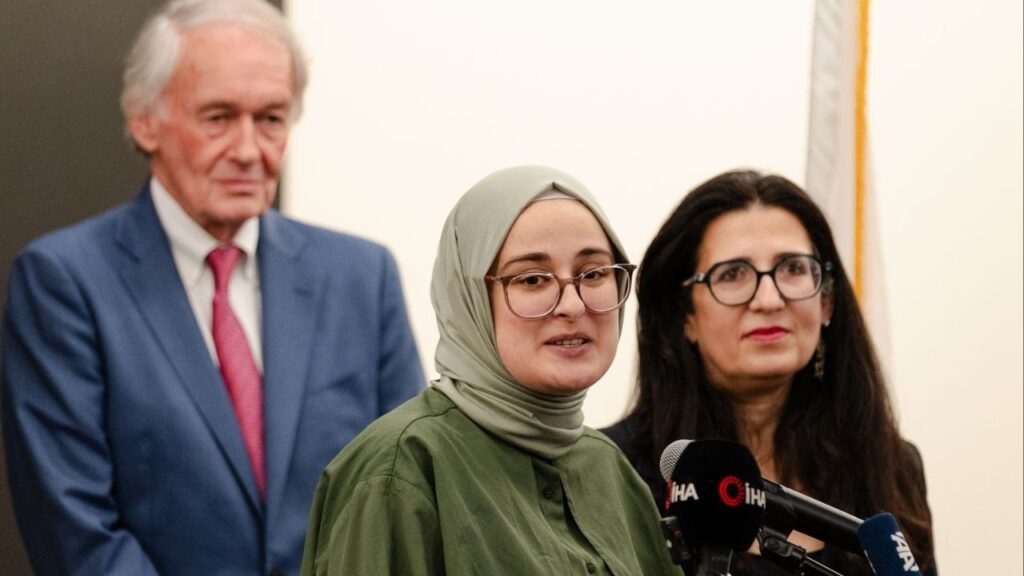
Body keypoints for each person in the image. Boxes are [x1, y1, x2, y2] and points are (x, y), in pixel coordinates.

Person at [0, 1, 424, 574]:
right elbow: (78, 533)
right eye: (218, 118)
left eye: (271, 118)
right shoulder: (64, 282)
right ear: (143, 120)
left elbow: (407, 499)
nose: (249, 151)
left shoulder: (360, 277)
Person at [301, 165, 682, 575]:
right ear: (470, 299)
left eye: (593, 274)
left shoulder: (610, 470)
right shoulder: (400, 468)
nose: (573, 305)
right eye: (533, 279)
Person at [603, 170, 936, 575]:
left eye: (793, 269)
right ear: (685, 316)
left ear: (827, 303)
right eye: (732, 274)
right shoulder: (612, 472)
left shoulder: (892, 465)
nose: (769, 298)